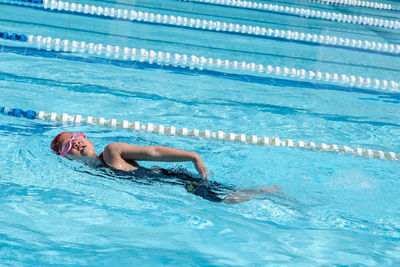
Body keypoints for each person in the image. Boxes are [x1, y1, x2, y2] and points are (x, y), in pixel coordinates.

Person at [50, 132, 279, 203]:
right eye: (67, 145)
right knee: (228, 196)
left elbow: (154, 152)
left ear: (88, 140)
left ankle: (272, 192)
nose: (76, 142)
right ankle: (270, 192)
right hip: (170, 185)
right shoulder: (93, 171)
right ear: (66, 157)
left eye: (77, 137)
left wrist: (193, 157)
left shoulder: (112, 151)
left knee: (225, 201)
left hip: (175, 180)